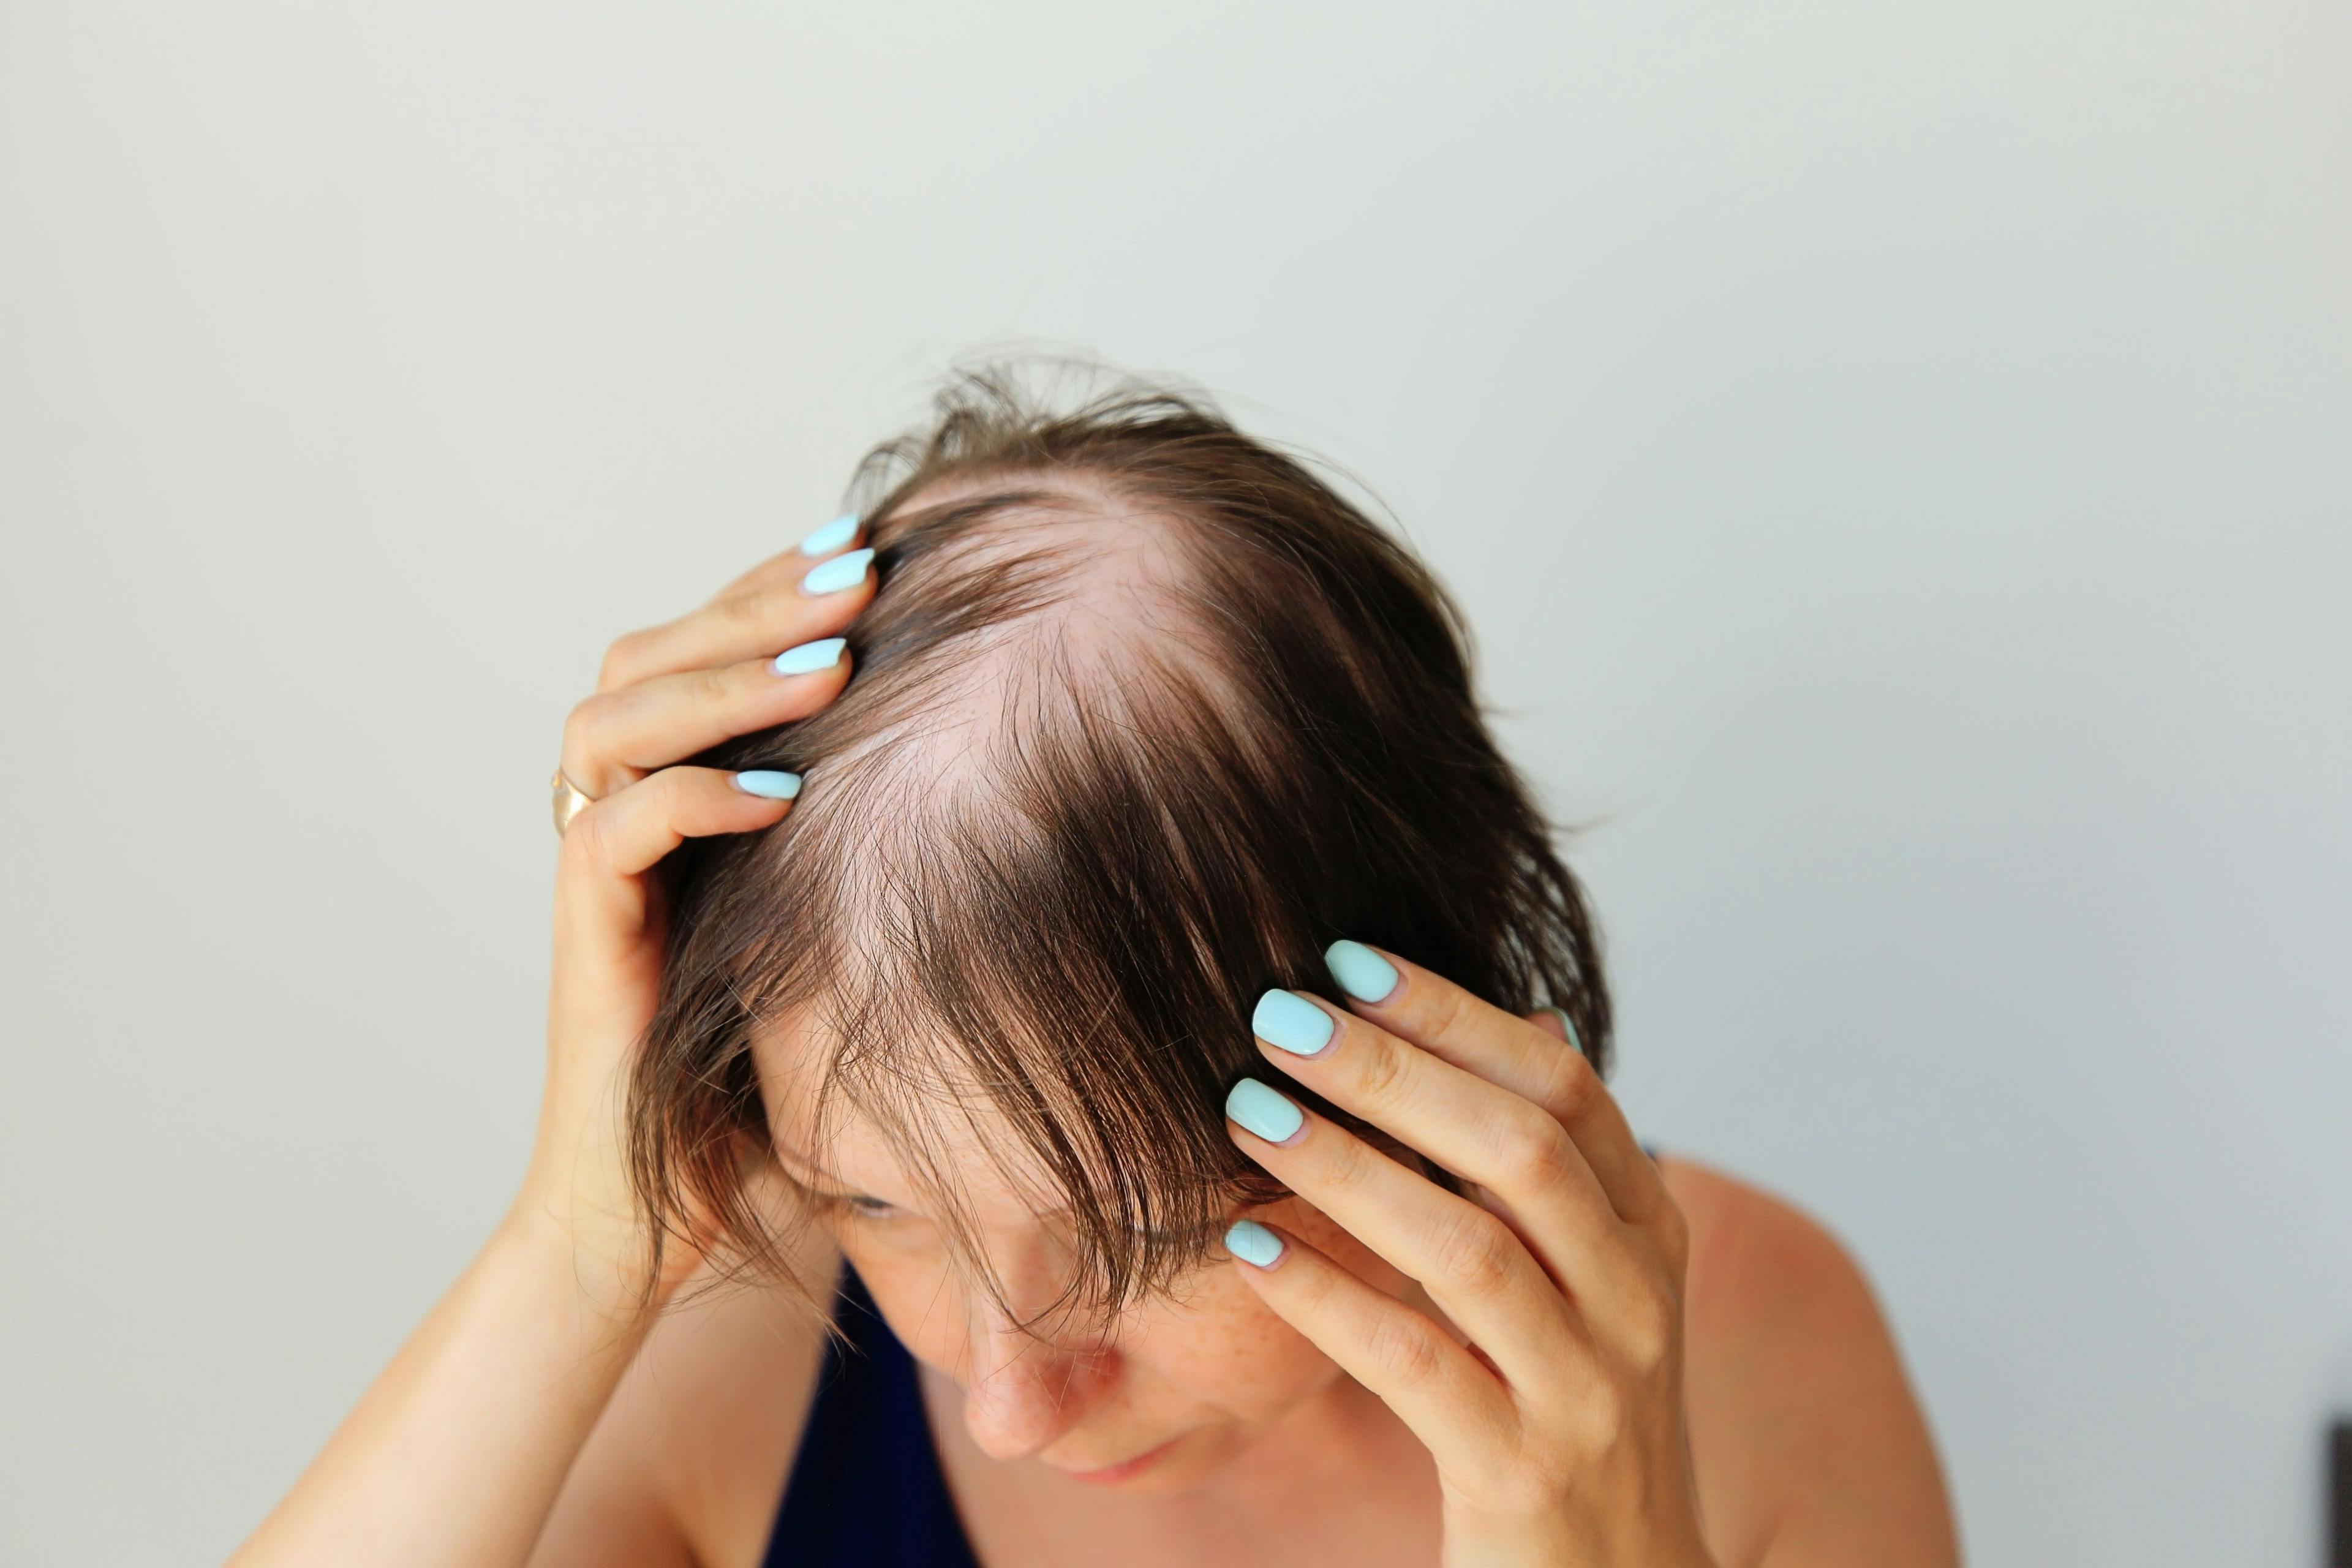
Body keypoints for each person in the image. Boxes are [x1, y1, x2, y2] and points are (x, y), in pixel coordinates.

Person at [232, 369, 1961, 1567]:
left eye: (1140, 1236)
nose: (1002, 1404)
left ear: (1425, 1030)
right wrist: (577, 1240)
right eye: (884, 1210)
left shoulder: (1745, 1358)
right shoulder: (748, 1373)